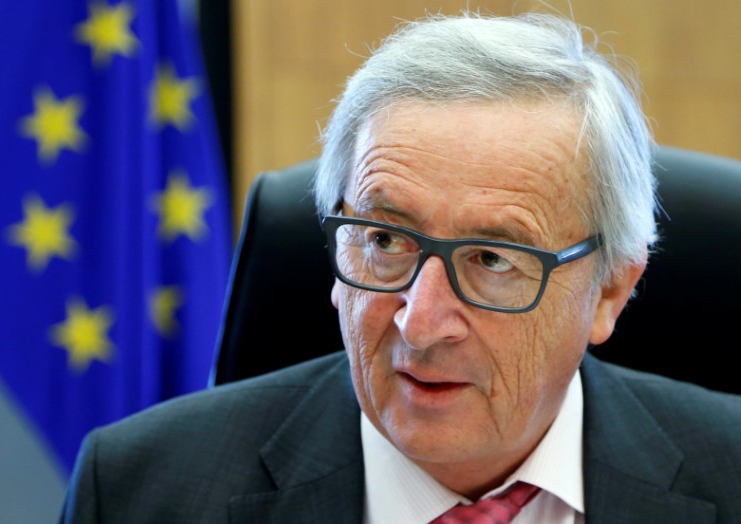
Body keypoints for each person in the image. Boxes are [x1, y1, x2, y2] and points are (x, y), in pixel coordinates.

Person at [59, 11, 741, 524]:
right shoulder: (139, 493)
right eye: (386, 240)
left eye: (493, 259)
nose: (422, 323)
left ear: (611, 291)